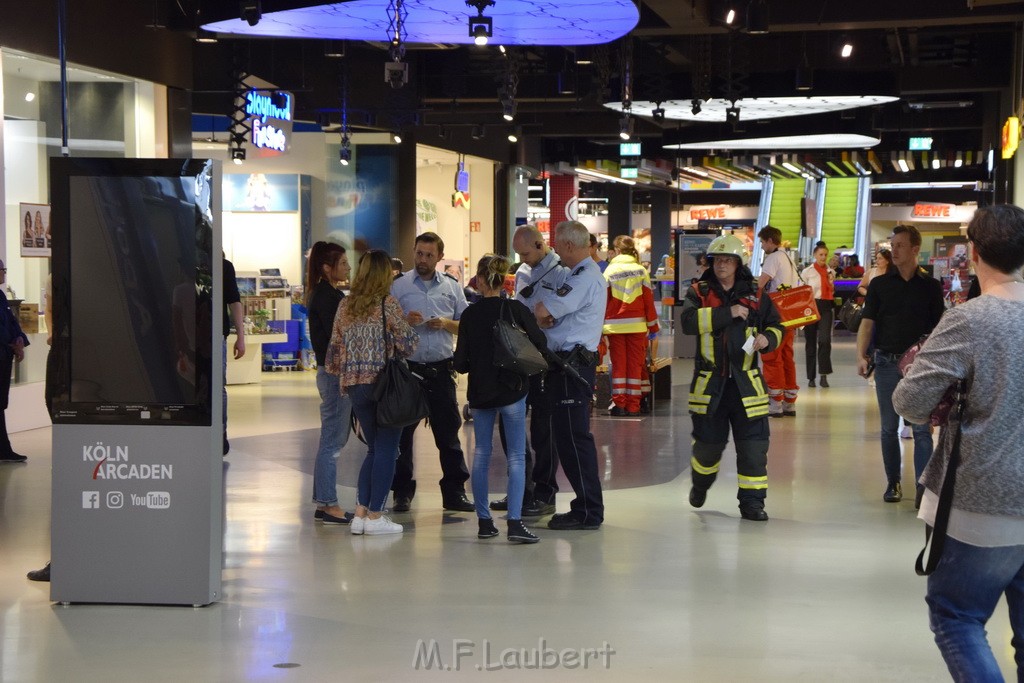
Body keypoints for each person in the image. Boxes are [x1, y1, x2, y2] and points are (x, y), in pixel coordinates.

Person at [891, 204, 1024, 681]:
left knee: (958, 619)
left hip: (980, 501)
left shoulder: (969, 320)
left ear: (973, 252)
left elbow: (910, 401)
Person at [680, 234, 784, 521]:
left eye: (728, 259)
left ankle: (752, 504)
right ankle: (700, 484)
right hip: (710, 387)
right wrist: (727, 313)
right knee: (706, 451)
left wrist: (768, 338)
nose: (722, 264)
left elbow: (778, 326)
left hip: (747, 387)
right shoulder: (698, 292)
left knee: (754, 449)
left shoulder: (756, 294)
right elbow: (688, 323)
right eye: (717, 260)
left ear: (739, 263)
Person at [454, 254, 547, 544]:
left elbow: (461, 364)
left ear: (480, 281)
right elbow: (540, 344)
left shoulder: (470, 315)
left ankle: (484, 521)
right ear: (503, 280)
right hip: (513, 390)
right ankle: (516, 522)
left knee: (481, 453)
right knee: (517, 456)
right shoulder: (516, 310)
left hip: (481, 394)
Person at [326, 250, 418, 535]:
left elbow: (333, 355)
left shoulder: (345, 305)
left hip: (355, 387)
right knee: (388, 450)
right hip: (384, 387)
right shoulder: (386, 304)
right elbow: (409, 344)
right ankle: (376, 516)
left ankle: (361, 514)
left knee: (374, 449)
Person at [856, 225, 944, 505]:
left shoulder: (930, 286)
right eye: (892, 245)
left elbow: (940, 328)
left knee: (920, 429)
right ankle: (893, 482)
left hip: (920, 367)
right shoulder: (880, 284)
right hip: (885, 363)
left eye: (900, 246)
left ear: (915, 249)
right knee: (888, 427)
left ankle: (922, 487)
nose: (893, 250)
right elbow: (867, 322)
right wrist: (861, 355)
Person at [389, 232, 473, 512]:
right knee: (401, 434)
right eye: (419, 253)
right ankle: (401, 491)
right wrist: (403, 320)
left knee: (448, 434)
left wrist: (447, 323)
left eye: (429, 255)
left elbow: (466, 325)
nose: (423, 260)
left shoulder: (452, 288)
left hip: (440, 370)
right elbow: (385, 324)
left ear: (439, 257)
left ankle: (455, 491)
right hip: (407, 371)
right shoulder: (399, 287)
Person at [533, 220, 608, 530]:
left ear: (567, 245)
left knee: (574, 439)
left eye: (557, 244)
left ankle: (588, 510)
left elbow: (542, 312)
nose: (555, 249)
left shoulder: (584, 278)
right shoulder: (579, 274)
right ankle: (584, 505)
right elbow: (546, 316)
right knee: (567, 438)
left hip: (572, 366)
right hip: (565, 364)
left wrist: (545, 315)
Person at [497, 224, 564, 517]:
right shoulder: (523, 271)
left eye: (526, 253)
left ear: (540, 244)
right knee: (511, 425)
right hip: (523, 356)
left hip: (549, 358)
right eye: (519, 255)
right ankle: (520, 491)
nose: (523, 260)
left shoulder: (562, 271)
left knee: (543, 430)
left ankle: (546, 492)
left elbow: (563, 314)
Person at [305, 241, 354, 525]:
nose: (348, 267)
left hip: (332, 372)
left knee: (332, 438)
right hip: (335, 373)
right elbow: (337, 339)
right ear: (327, 267)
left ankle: (323, 500)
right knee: (333, 441)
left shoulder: (327, 294)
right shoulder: (327, 297)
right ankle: (328, 502)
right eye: (343, 263)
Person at [602, 235, 659, 417]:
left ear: (616, 250)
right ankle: (634, 406)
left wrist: (598, 327)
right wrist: (653, 327)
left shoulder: (609, 272)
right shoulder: (641, 271)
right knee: (635, 365)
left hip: (615, 327)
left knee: (619, 366)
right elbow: (648, 301)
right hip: (637, 326)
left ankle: (620, 405)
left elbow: (603, 302)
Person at [756, 226, 799, 417]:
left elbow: (760, 284)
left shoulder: (773, 258)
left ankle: (775, 402)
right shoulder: (788, 257)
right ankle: (790, 402)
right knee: (787, 357)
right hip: (789, 314)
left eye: (763, 242)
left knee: (772, 356)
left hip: (774, 314)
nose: (762, 245)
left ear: (770, 241)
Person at [0, 260, 29, 463]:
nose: (4, 274)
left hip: (3, 359)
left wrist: (19, 339)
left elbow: (12, 323)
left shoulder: (1, 296)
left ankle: (4, 449)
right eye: (3, 270)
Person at [801, 243, 836, 388]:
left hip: (826, 306)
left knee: (824, 340)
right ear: (815, 255)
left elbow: (832, 291)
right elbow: (802, 291)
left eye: (825, 255)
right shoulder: (807, 272)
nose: (823, 257)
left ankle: (824, 374)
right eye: (820, 255)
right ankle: (811, 377)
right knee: (810, 343)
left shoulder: (830, 272)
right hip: (810, 306)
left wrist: (830, 282)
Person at [222, 257, 245, 455]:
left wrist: (241, 336)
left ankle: (220, 435)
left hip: (216, 337)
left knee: (218, 387)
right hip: (194, 337)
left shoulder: (224, 267)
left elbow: (234, 301)